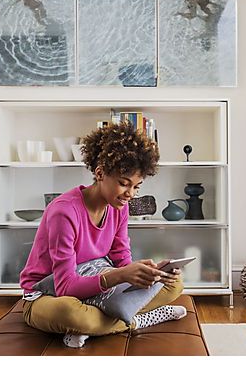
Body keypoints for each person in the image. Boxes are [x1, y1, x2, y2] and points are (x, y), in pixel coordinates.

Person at [19, 121, 186, 348]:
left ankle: (100, 325)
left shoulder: (119, 208)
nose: (130, 194)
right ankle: (138, 320)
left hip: (94, 286)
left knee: (173, 285)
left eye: (136, 187)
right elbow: (66, 286)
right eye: (123, 184)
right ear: (99, 173)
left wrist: (150, 273)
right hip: (48, 294)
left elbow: (122, 261)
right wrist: (120, 276)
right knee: (73, 314)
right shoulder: (64, 212)